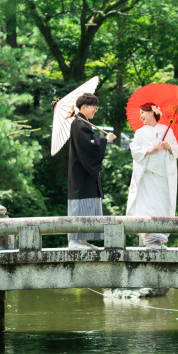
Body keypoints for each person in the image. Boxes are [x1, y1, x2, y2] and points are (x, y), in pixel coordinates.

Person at [126, 103, 178, 249]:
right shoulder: (139, 132)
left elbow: (177, 148)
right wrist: (150, 150)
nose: (141, 116)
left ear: (152, 112)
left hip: (162, 174)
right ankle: (150, 240)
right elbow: (135, 151)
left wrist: (169, 147)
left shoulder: (166, 130)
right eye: (140, 114)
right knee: (146, 206)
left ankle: (158, 239)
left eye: (143, 113)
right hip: (147, 174)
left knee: (161, 204)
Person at [67, 92, 116, 250]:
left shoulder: (83, 123)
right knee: (80, 204)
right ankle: (74, 240)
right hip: (81, 173)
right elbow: (90, 146)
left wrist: (101, 140)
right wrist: (105, 140)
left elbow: (91, 143)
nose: (95, 110)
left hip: (86, 173)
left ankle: (82, 240)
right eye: (93, 107)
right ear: (83, 107)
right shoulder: (78, 124)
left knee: (87, 204)